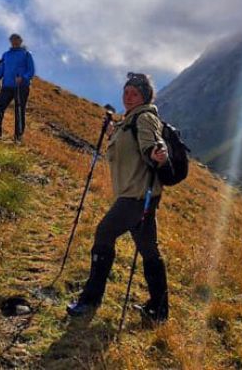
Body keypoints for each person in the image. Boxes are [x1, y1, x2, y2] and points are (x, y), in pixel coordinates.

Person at [66, 73, 170, 324]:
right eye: (126, 92)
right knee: (148, 250)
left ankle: (90, 300)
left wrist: (157, 152)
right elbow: (128, 147)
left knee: (104, 233)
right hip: (139, 195)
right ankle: (159, 309)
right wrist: (113, 132)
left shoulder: (144, 118)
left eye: (134, 93)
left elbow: (151, 143)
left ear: (144, 96)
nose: (128, 97)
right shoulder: (129, 120)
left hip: (136, 196)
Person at [0, 33, 35, 141]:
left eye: (17, 39)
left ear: (21, 41)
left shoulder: (26, 54)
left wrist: (23, 77)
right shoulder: (6, 55)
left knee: (19, 110)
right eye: (12, 39)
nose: (14, 41)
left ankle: (18, 137)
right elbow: (1, 69)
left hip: (21, 86)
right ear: (10, 41)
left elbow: (31, 70)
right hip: (7, 86)